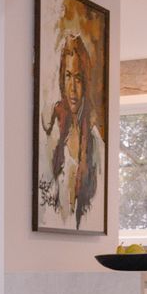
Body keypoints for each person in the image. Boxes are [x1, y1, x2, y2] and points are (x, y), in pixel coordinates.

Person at [41, 34, 103, 229]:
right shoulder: (52, 131)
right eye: (68, 76)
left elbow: (96, 198)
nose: (73, 88)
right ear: (62, 78)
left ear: (85, 83)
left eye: (78, 78)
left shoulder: (94, 140)